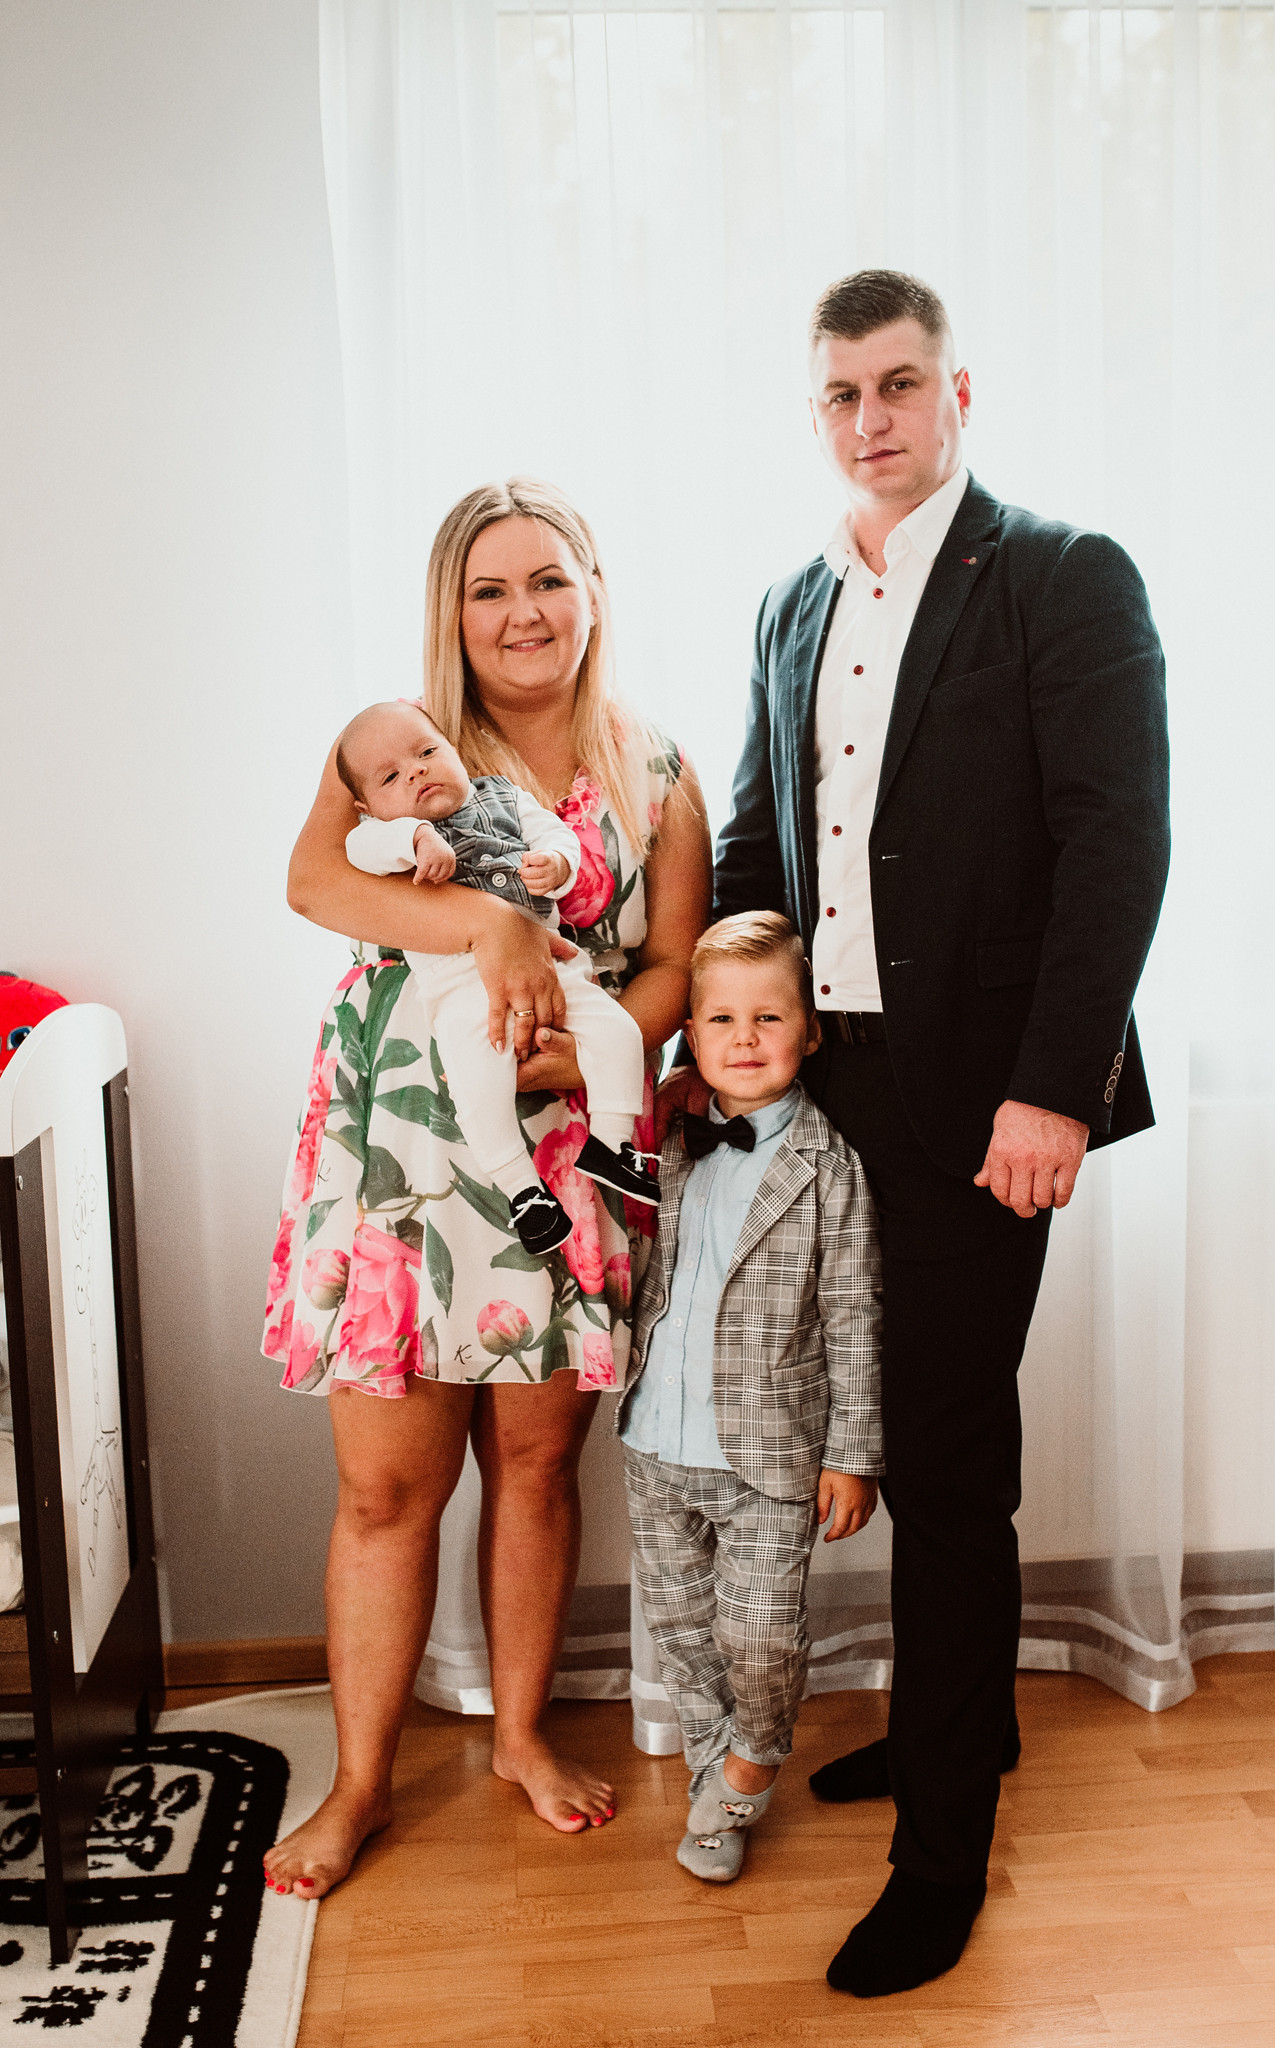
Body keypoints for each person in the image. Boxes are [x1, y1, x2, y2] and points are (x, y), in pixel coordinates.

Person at [672, 269, 1170, 1993]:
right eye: (841, 393)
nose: (870, 418)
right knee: (856, 1419)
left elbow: (1115, 841)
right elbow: (758, 848)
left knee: (949, 1457)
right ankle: (962, 1717)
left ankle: (941, 1849)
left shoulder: (1059, 574)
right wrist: (720, 1063)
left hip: (988, 1095)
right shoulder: (788, 603)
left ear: (960, 391)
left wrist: (1055, 1086)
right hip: (832, 1091)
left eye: (899, 384)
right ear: (814, 410)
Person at [261, 478, 712, 1898]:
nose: (523, 613)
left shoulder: (656, 769)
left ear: (593, 589)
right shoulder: (399, 743)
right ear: (450, 611)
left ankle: (518, 1736)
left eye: (548, 579)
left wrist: (584, 1058)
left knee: (532, 1467)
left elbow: (673, 966)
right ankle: (359, 1786)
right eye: (489, 588)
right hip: (400, 1153)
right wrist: (490, 927)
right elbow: (317, 886)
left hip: (566, 1151)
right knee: (385, 1491)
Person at [618, 912, 882, 1884]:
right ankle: (710, 1780)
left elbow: (853, 1315)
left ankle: (746, 1769)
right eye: (721, 1018)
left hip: (770, 1456)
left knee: (759, 1633)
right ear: (689, 1030)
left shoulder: (828, 1166)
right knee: (685, 1633)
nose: (744, 1037)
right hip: (655, 1439)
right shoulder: (667, 1140)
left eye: (768, 1016)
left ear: (807, 1031)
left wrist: (852, 1455)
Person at [339, 699, 660, 1255]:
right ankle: (523, 1192)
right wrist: (415, 839)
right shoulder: (385, 833)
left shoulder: (504, 798)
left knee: (619, 1033)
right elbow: (358, 849)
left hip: (552, 970)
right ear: (368, 806)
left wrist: (557, 864)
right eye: (391, 777)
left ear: (455, 752)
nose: (415, 771)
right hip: (463, 992)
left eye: (427, 752)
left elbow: (554, 834)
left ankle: (612, 1144)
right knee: (478, 1087)